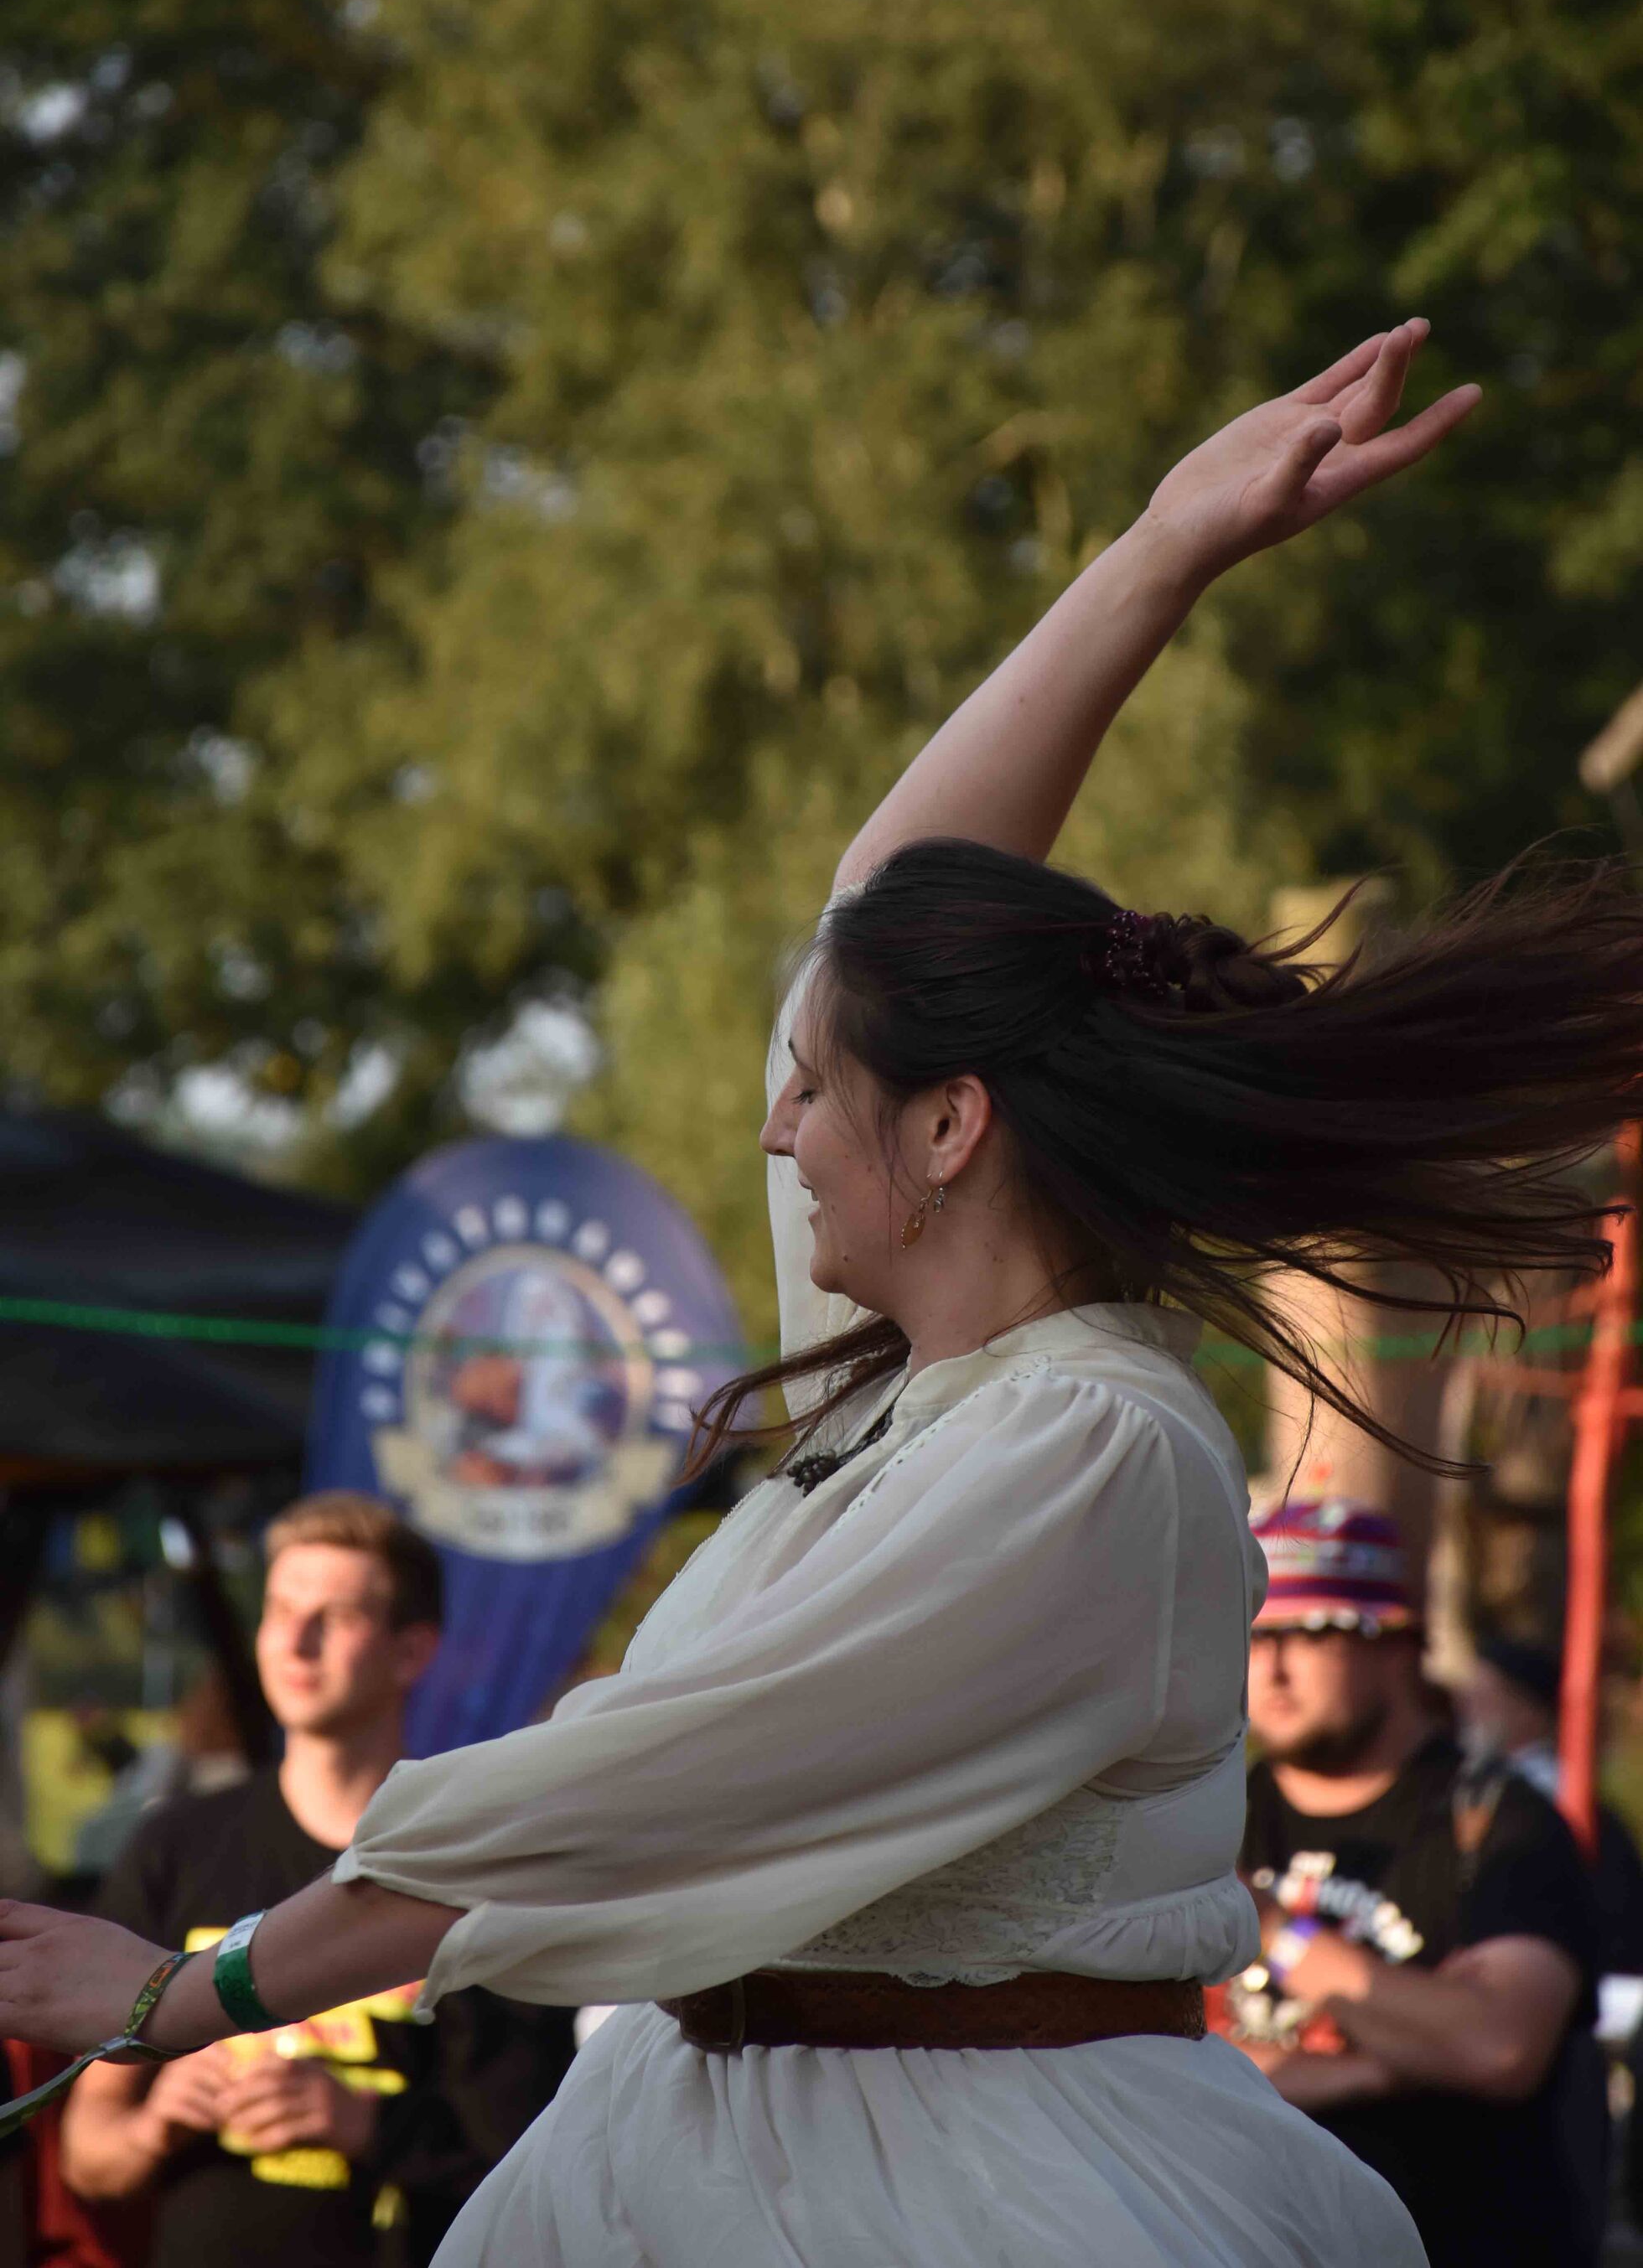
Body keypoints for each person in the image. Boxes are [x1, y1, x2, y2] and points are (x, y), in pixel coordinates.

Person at [5, 320, 1643, 2266]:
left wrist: (190, 1988)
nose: (774, 1127)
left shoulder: (1095, 1451)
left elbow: (665, 1781)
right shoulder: (903, 1392)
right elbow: (883, 896)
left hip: (980, 2188)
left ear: (948, 1128)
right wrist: (1157, 552)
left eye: (808, 1087)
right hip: (711, 2144)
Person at [55, 1493, 577, 2268]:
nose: (297, 1643)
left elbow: (540, 2164)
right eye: (280, 1611)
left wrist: (365, 2124)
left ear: (411, 1652)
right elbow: (86, 2156)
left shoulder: (468, 1866)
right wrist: (154, 2124)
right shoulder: (175, 1846)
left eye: (336, 1617)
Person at [1231, 1500, 1605, 2268]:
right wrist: (1384, 2064)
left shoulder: (1498, 1823)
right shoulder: (1211, 1815)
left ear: (1398, 1644)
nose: (1273, 1667)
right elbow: (1139, 2060)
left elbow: (1497, 2047)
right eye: (1254, 1634)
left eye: (1314, 1630)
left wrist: (1274, 1933)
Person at [1461, 1633, 1643, 1977]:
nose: (1469, 1710)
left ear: (1528, 1710)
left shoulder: (1555, 1798)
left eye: (1486, 1698)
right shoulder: (1475, 1787)